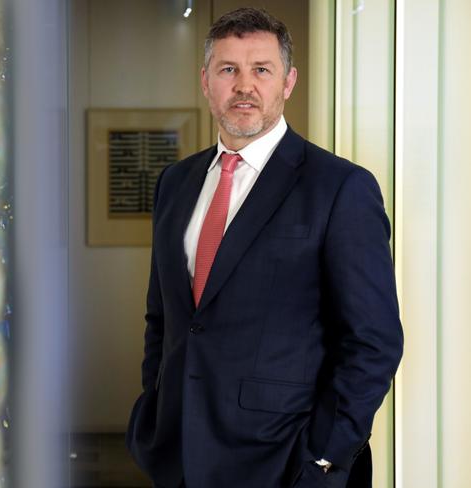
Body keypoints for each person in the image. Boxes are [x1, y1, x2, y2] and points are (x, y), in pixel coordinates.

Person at [125, 7, 403, 488]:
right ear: (206, 81)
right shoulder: (176, 182)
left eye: (262, 70)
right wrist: (153, 406)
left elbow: (374, 341)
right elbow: (164, 317)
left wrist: (324, 456)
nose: (244, 86)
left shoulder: (341, 188)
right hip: (178, 453)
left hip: (284, 463)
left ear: (288, 82)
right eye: (228, 69)